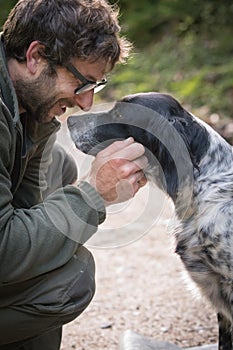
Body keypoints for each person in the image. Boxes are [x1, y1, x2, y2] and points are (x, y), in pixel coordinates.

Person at [0, 0, 147, 349]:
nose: (86, 103)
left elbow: (27, 221)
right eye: (83, 83)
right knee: (70, 280)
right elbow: (4, 254)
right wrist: (93, 193)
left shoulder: (26, 104)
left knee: (61, 166)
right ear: (36, 56)